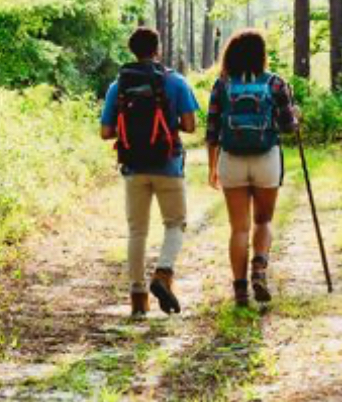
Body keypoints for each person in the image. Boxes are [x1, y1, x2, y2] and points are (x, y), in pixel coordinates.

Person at [100, 27, 199, 318]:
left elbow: (106, 132)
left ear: (132, 50)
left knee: (137, 231)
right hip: (168, 164)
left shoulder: (118, 86)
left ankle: (138, 297)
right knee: (175, 223)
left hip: (133, 166)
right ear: (158, 49)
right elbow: (191, 126)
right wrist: (167, 128)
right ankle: (163, 273)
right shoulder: (175, 81)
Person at [206, 29, 299, 306]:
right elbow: (287, 127)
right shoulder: (276, 83)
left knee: (239, 229)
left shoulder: (222, 84)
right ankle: (259, 268)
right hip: (266, 159)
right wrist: (295, 119)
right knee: (263, 221)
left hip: (231, 160)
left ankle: (240, 291)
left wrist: (212, 168)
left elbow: (211, 131)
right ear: (261, 54)